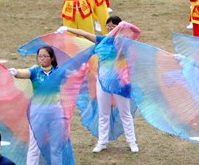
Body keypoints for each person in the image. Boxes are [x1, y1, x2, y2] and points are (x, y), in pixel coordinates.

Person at [59, 17, 140, 154]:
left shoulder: (124, 43)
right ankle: (102, 142)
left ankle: (132, 142)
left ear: (119, 27)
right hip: (102, 82)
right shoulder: (102, 40)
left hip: (120, 83)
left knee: (125, 113)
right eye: (108, 25)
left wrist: (125, 24)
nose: (110, 27)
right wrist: (67, 29)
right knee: (103, 113)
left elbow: (137, 31)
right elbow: (84, 34)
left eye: (113, 25)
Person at [9, 47, 71, 165]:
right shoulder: (35, 71)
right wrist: (15, 72)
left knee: (56, 145)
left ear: (52, 58)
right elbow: (23, 73)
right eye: (40, 56)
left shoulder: (58, 72)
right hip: (37, 113)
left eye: (45, 56)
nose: (42, 59)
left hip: (56, 113)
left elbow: (72, 74)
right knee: (35, 145)